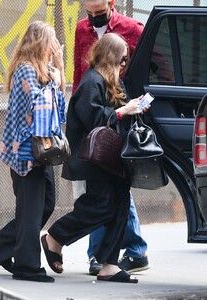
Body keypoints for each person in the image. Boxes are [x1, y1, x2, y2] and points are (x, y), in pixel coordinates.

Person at [41, 32, 149, 284]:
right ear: (110, 56)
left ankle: (110, 264)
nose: (124, 65)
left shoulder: (114, 82)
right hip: (95, 158)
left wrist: (136, 107)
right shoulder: (92, 81)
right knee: (100, 206)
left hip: (114, 158)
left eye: (126, 61)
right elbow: (92, 119)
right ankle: (55, 237)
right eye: (121, 59)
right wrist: (123, 111)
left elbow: (120, 112)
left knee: (120, 206)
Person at [0, 21, 66, 283]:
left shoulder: (44, 72)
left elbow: (59, 104)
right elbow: (41, 109)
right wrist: (54, 77)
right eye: (51, 41)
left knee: (46, 203)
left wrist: (59, 68)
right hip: (26, 152)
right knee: (31, 210)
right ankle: (27, 267)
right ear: (41, 43)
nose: (54, 46)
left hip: (42, 150)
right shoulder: (26, 71)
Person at [72, 0, 149, 275]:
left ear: (112, 3)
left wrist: (134, 103)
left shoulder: (132, 28)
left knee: (112, 187)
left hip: (120, 112)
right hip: (99, 113)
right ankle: (105, 255)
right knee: (104, 187)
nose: (93, 17)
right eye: (89, 11)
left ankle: (123, 251)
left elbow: (153, 66)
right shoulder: (82, 29)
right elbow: (81, 74)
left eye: (99, 11)